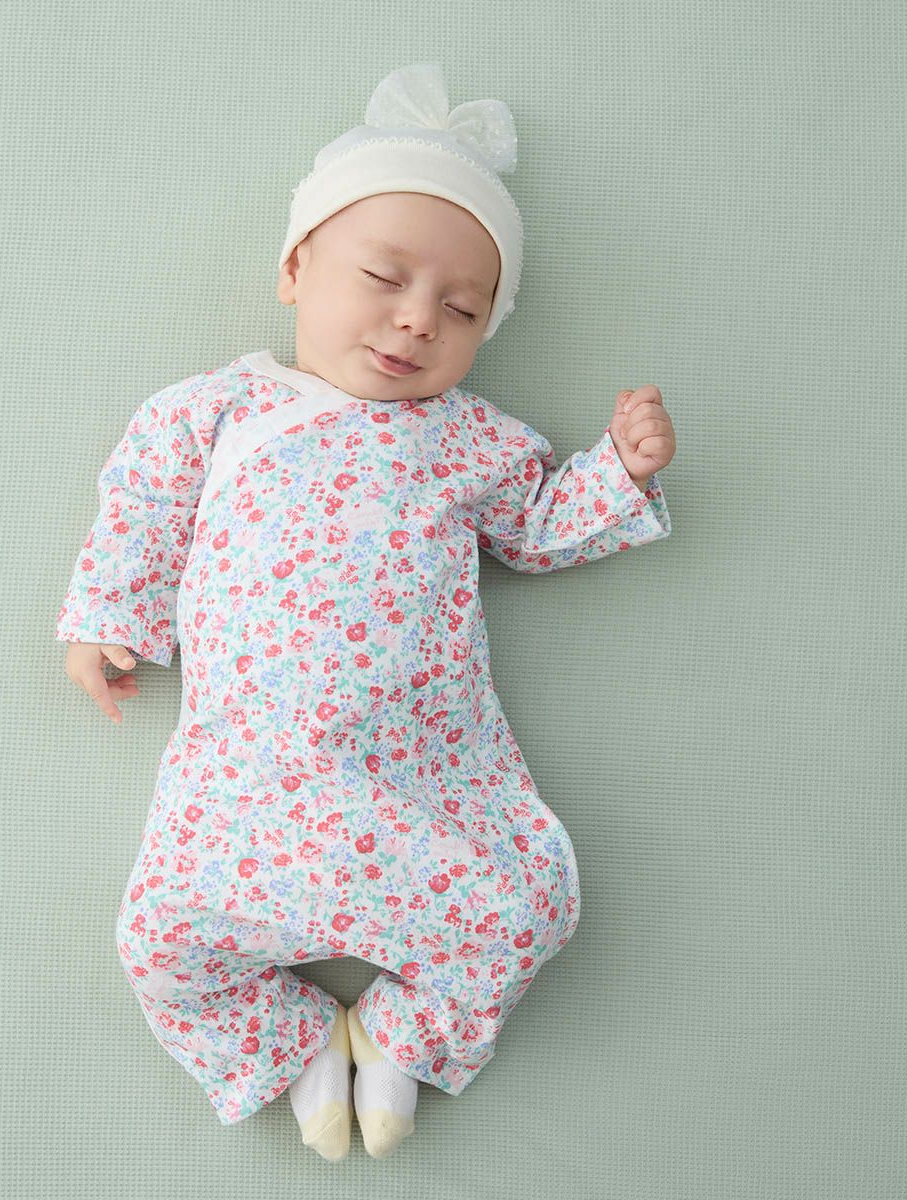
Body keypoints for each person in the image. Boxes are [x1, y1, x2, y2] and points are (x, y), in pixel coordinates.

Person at [55, 62, 677, 1159]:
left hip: (416, 774)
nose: (415, 320)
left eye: (463, 309)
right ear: (295, 268)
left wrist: (617, 474)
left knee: (524, 910)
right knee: (161, 945)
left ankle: (398, 1033)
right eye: (383, 277)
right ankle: (294, 1043)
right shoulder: (218, 410)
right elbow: (142, 505)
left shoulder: (464, 436)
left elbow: (536, 524)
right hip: (244, 786)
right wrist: (112, 615)